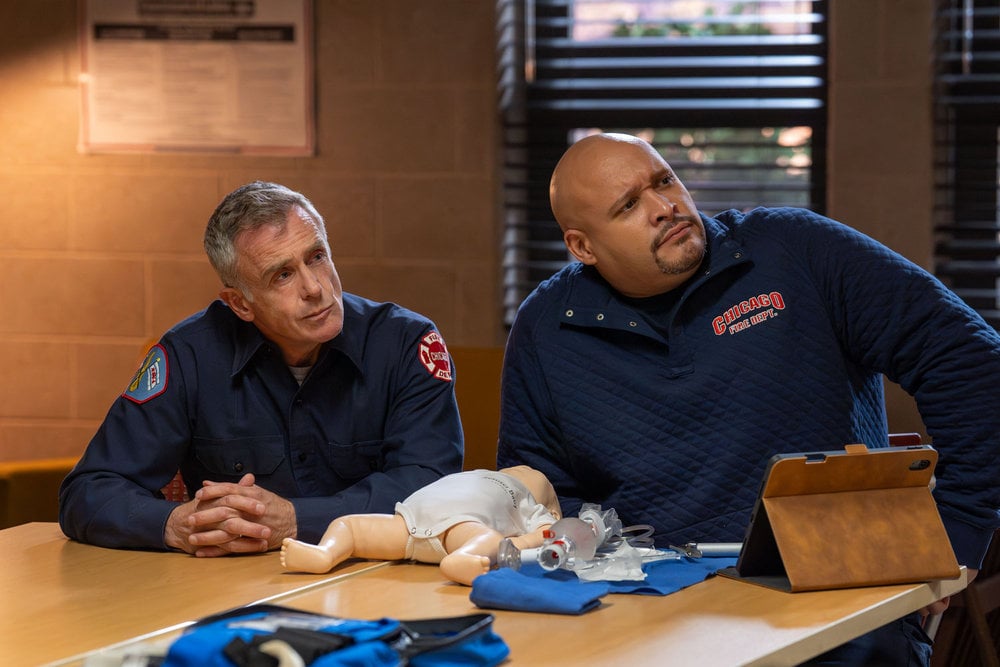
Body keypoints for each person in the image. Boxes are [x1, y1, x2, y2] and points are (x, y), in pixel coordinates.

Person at [497, 133, 1000, 665]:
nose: (665, 208)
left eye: (664, 181)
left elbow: (973, 366)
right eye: (628, 206)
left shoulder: (793, 249)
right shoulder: (545, 327)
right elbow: (540, 497)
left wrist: (957, 532)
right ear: (583, 246)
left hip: (837, 607)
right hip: (649, 618)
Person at [59, 181, 463, 557]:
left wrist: (294, 520)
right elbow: (88, 492)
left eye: (316, 257)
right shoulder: (190, 355)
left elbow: (431, 487)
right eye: (283, 275)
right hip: (229, 589)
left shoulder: (405, 343)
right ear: (240, 304)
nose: (315, 288)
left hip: (375, 576)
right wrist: (176, 525)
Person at [280, 465, 561, 585]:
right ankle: (465, 556)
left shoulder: (469, 475)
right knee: (488, 538)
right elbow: (548, 534)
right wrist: (522, 542)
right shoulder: (528, 500)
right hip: (458, 528)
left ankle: (326, 552)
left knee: (350, 526)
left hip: (410, 520)